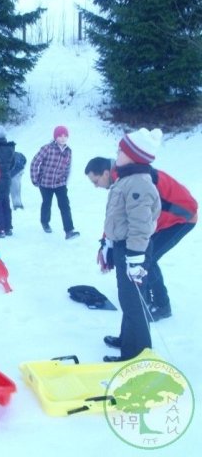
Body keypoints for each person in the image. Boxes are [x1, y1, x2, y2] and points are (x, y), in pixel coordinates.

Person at [85, 155, 197, 321]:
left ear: (106, 173)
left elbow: (140, 216)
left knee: (146, 260)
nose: (96, 186)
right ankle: (148, 297)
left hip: (181, 219)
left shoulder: (130, 179)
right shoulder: (121, 180)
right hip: (156, 221)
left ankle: (162, 305)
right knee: (144, 255)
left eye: (95, 181)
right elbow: (116, 217)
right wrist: (105, 243)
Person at [100, 129, 162, 362]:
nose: (117, 153)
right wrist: (107, 243)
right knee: (127, 298)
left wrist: (135, 258)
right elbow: (118, 217)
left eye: (121, 151)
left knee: (134, 302)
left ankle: (137, 354)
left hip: (133, 250)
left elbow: (140, 226)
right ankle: (128, 340)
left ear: (135, 156)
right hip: (122, 247)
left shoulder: (138, 184)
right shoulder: (127, 179)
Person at [30, 125, 80, 239]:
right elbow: (34, 163)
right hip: (45, 183)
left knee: (65, 206)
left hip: (60, 184)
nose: (63, 138)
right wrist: (35, 179)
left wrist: (65, 181)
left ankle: (69, 230)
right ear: (55, 137)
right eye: (60, 136)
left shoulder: (68, 151)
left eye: (65, 136)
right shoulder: (47, 148)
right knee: (47, 203)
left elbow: (68, 168)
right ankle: (45, 222)